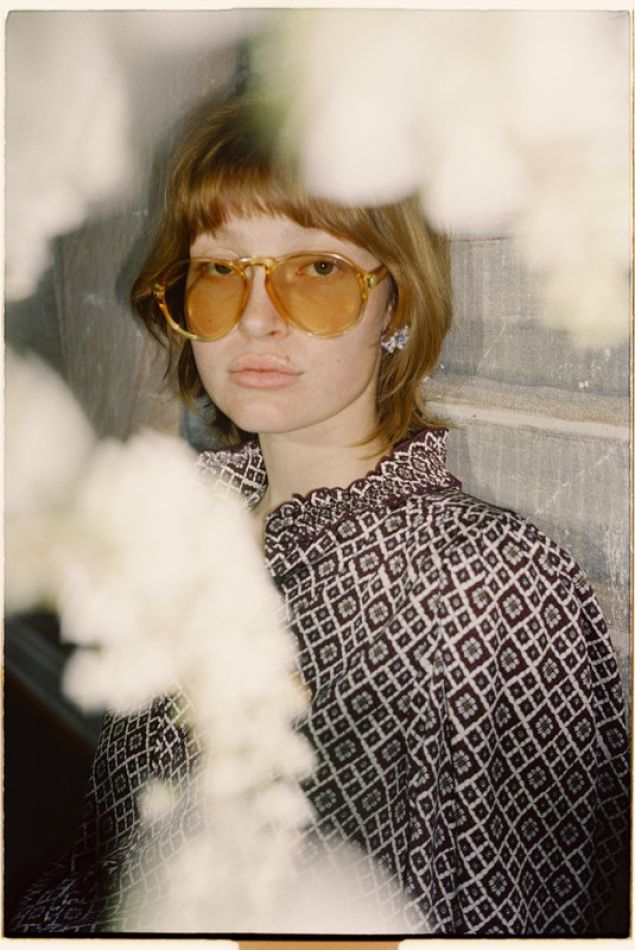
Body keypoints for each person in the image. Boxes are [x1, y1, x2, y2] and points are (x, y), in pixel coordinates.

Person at [11, 89, 629, 937]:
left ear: (396, 305)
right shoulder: (186, 540)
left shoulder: (492, 588)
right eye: (219, 272)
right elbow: (105, 865)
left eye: (319, 270)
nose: (255, 320)